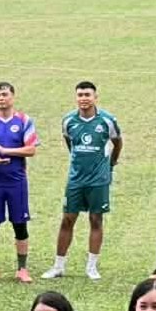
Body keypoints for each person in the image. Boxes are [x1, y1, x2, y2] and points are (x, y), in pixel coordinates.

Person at [45, 81, 122, 281]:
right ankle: (58, 266)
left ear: (95, 97)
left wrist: (111, 163)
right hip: (76, 180)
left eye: (87, 95)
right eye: (80, 95)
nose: (84, 98)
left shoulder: (107, 121)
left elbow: (117, 142)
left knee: (96, 219)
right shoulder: (68, 121)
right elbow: (70, 143)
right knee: (67, 219)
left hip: (98, 180)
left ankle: (91, 267)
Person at [0, 81, 38, 284]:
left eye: (4, 94)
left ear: (13, 96)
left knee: (20, 224)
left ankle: (22, 269)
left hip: (17, 182)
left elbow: (31, 149)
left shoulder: (24, 121)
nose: (1, 98)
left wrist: (6, 151)